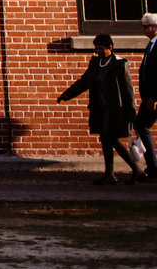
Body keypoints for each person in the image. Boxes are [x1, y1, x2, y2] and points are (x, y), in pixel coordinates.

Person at [58, 34, 145, 184]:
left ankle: (132, 171)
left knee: (110, 138)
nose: (98, 52)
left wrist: (131, 112)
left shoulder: (119, 65)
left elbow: (127, 90)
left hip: (115, 110)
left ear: (110, 48)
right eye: (96, 49)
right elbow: (84, 82)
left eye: (101, 49)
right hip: (100, 109)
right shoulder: (95, 64)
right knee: (107, 139)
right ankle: (113, 174)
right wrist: (67, 95)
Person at [136, 13, 157, 180]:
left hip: (154, 97)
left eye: (146, 26)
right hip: (149, 97)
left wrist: (155, 97)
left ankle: (153, 167)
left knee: (141, 125)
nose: (144, 29)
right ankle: (153, 166)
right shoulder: (151, 45)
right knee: (141, 125)